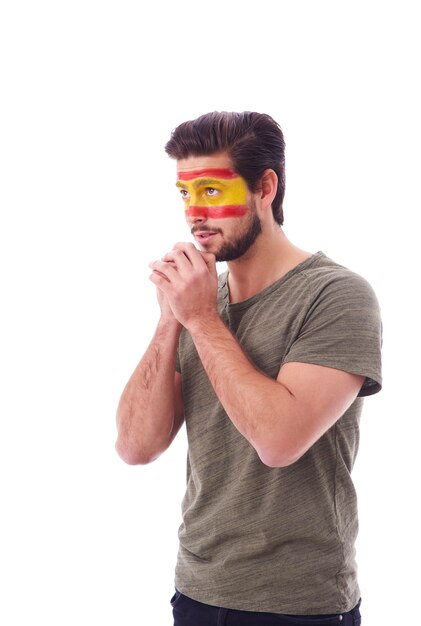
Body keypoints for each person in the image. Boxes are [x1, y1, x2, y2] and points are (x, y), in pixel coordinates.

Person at [115, 111, 382, 625]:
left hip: (298, 603)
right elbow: (135, 447)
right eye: (185, 195)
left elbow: (279, 441)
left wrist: (200, 319)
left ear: (265, 187)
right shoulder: (200, 304)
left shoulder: (335, 295)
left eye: (212, 191)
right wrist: (172, 320)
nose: (195, 214)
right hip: (195, 589)